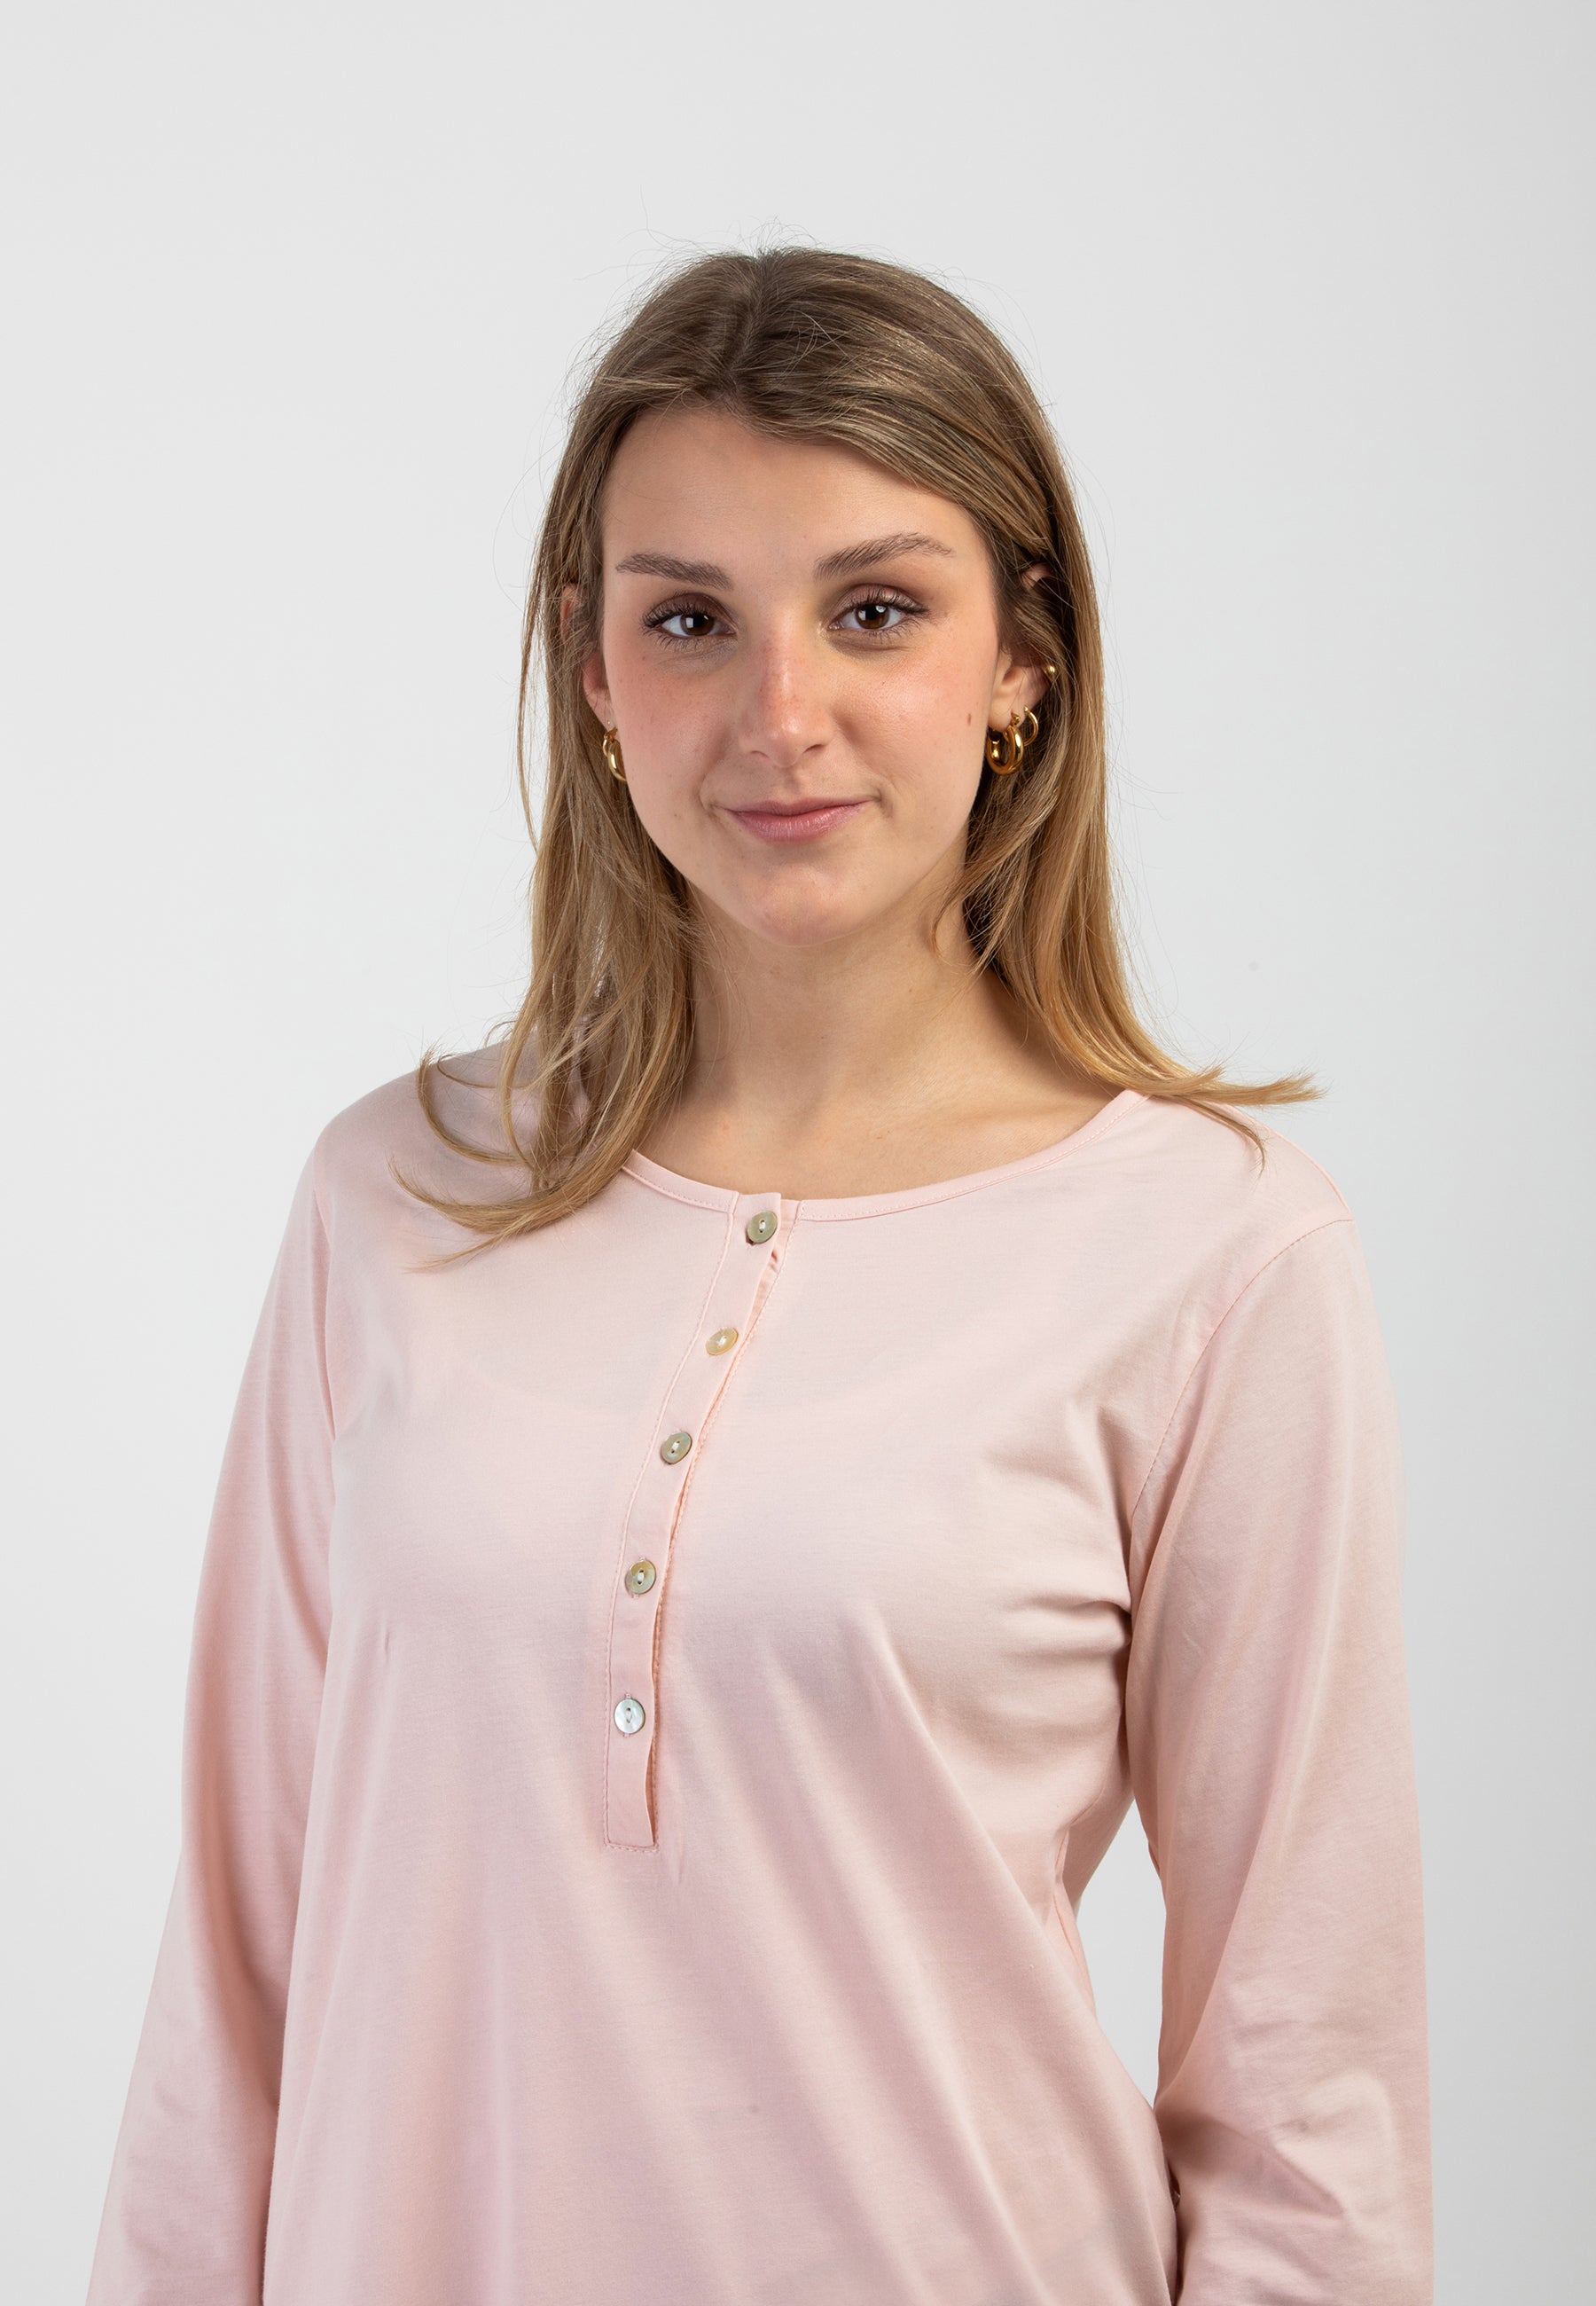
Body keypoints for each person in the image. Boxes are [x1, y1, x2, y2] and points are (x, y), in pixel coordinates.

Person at [85, 246, 1433, 2305]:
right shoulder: (394, 1199)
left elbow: (1308, 2089)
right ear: (593, 669)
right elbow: (234, 1980)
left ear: (1023, 659)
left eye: (875, 610)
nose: (780, 716)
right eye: (690, 619)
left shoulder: (1219, 1256)